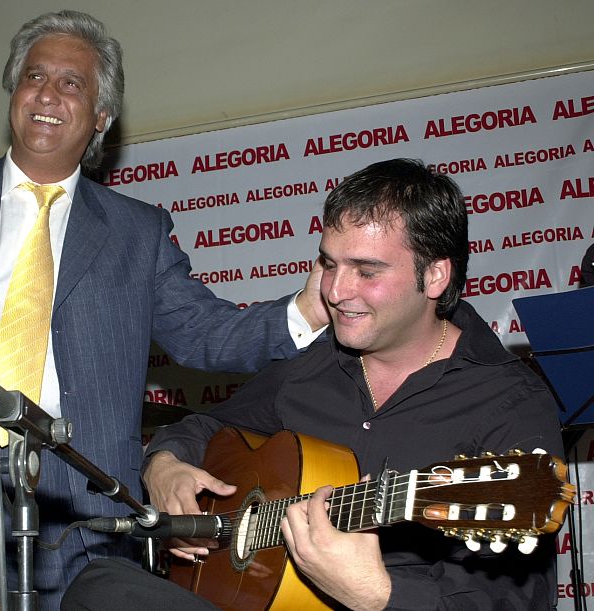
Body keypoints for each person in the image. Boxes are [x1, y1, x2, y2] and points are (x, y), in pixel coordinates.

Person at [0, 10, 328, 610]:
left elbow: (203, 333)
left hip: (80, 504)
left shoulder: (138, 232)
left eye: (71, 83)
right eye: (34, 77)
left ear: (101, 117)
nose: (47, 94)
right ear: (14, 93)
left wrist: (305, 311)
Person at [62, 158, 565, 610]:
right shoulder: (313, 365)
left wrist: (379, 594)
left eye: (366, 271)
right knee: (99, 584)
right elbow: (209, 424)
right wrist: (166, 464)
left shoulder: (509, 402)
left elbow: (516, 600)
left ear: (434, 277)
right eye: (329, 263)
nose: (336, 290)